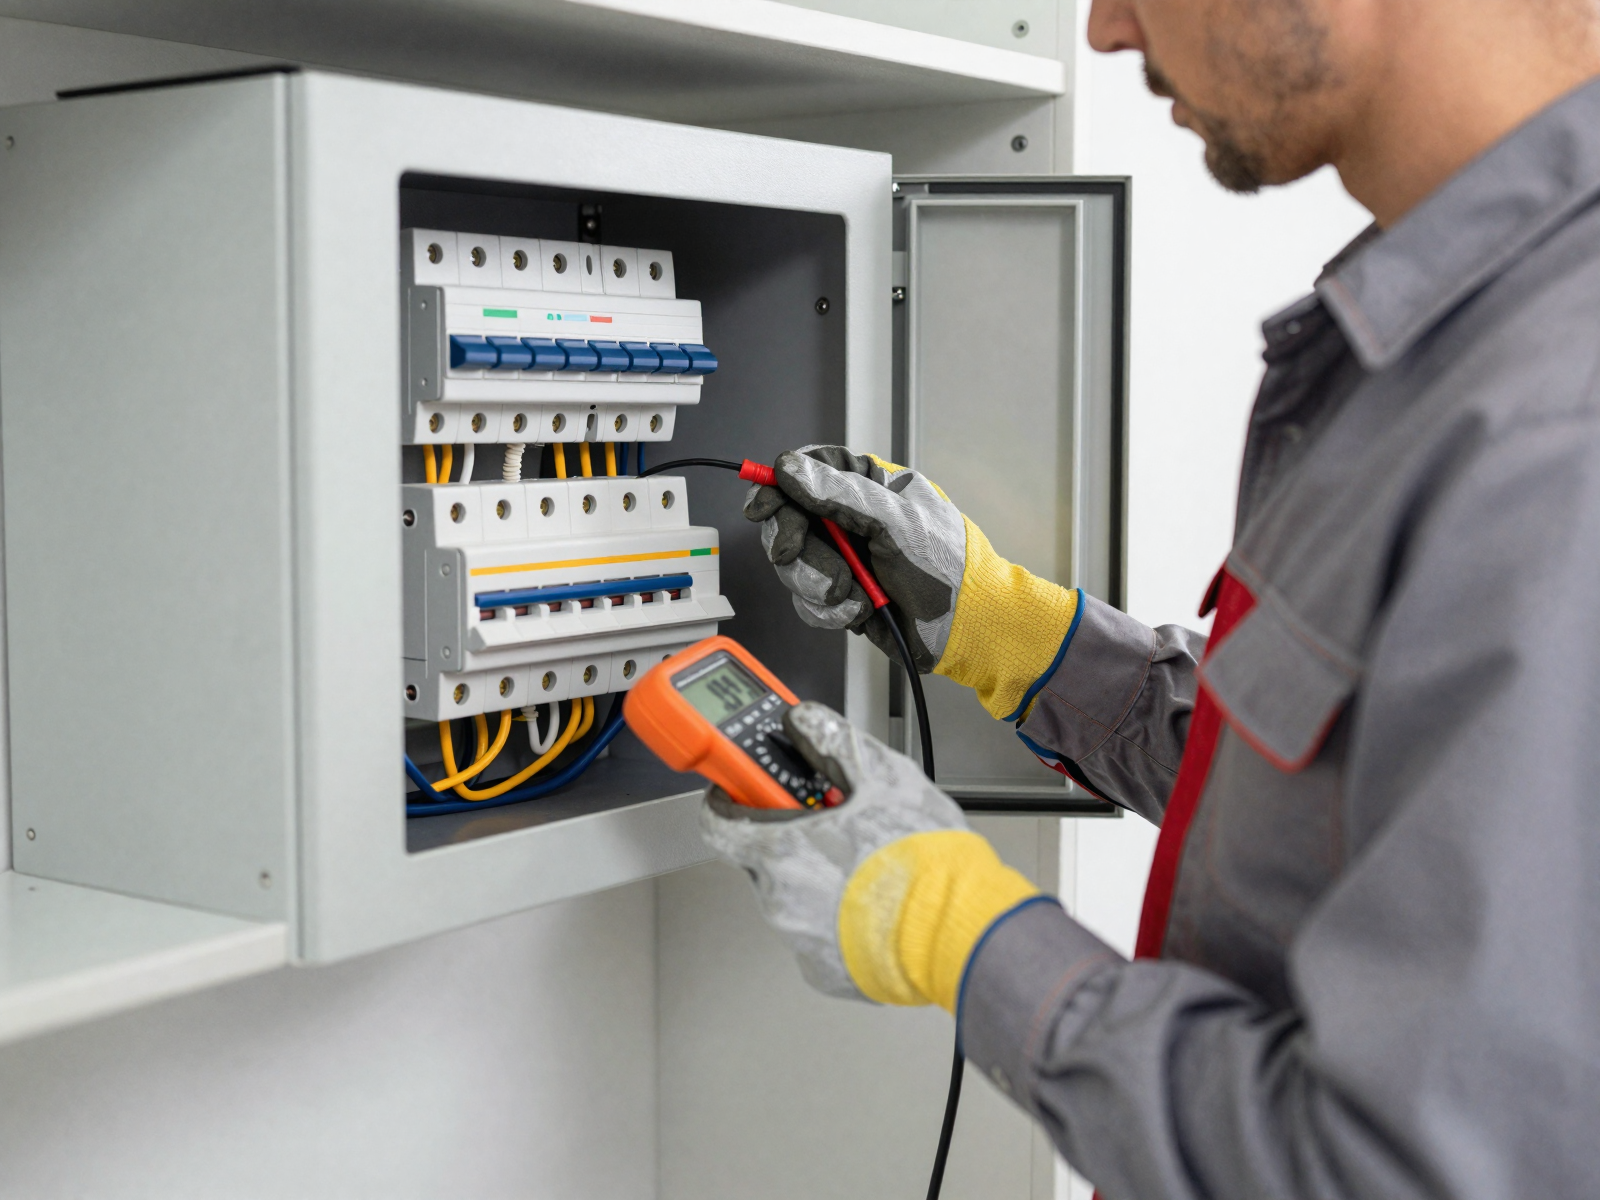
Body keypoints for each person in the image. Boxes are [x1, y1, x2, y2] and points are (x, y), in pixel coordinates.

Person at [698, 0, 1600, 1196]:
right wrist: (1003, 629)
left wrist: (962, 937)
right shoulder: (1457, 336)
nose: (1107, 28)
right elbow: (1374, 803)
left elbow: (1405, 1172)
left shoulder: (1555, 427)